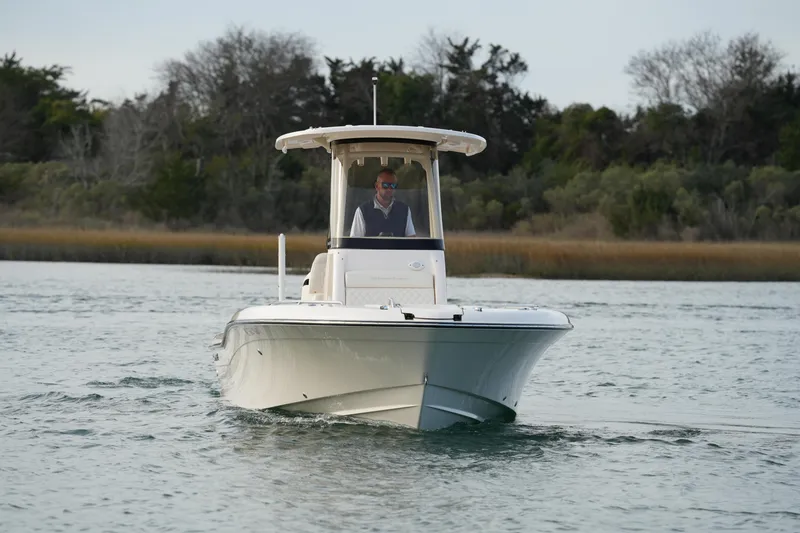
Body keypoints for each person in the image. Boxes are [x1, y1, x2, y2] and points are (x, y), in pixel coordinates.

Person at [349, 168, 416, 237]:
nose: (389, 189)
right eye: (385, 185)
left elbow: (411, 238)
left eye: (393, 186)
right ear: (377, 186)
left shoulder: (404, 210)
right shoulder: (362, 211)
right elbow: (355, 241)